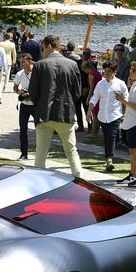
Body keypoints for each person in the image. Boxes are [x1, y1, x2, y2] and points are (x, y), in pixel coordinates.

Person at [28, 34, 82, 176]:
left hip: (44, 114)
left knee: (41, 151)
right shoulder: (72, 65)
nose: (41, 52)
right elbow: (77, 92)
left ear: (49, 47)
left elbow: (32, 92)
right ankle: (80, 180)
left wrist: (39, 104)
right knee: (71, 151)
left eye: (43, 48)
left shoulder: (39, 65)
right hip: (65, 112)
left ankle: (39, 182)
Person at [114, 61, 136, 186]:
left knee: (134, 149)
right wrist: (128, 89)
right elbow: (134, 102)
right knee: (132, 149)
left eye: (133, 71)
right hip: (131, 121)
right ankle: (133, 174)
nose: (130, 73)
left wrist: (123, 100)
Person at [88, 62, 127, 171]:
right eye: (105, 71)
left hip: (115, 115)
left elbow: (126, 99)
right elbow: (95, 98)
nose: (107, 73)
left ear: (115, 72)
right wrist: (88, 112)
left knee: (112, 136)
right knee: (107, 137)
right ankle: (108, 158)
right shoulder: (100, 84)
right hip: (102, 116)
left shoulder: (120, 84)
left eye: (109, 71)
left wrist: (125, 113)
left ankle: (109, 159)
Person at [13, 52, 35, 160]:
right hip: (24, 105)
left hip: (36, 104)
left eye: (23, 62)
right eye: (20, 62)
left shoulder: (37, 72)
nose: (21, 64)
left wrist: (32, 95)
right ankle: (23, 153)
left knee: (40, 129)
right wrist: (19, 92)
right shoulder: (20, 74)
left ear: (29, 61)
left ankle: (40, 152)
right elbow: (15, 87)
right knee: (22, 130)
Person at [82, 60, 102, 136]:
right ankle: (96, 131)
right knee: (97, 114)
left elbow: (91, 87)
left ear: (87, 67)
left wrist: (88, 97)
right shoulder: (97, 73)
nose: (84, 71)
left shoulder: (91, 74)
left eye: (84, 69)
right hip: (100, 95)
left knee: (94, 115)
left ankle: (94, 133)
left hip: (95, 95)